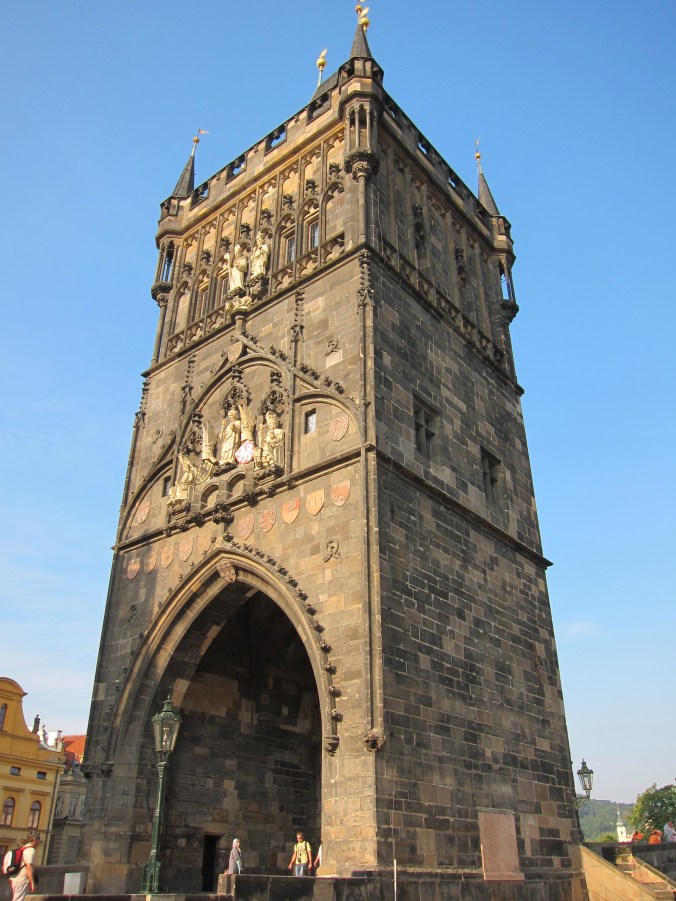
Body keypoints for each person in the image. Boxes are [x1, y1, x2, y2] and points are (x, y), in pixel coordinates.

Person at [9, 833, 40, 901]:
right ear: (35, 839)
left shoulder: (23, 848)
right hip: (22, 880)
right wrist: (32, 882)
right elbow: (29, 867)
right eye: (39, 839)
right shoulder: (30, 850)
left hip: (15, 878)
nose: (39, 841)